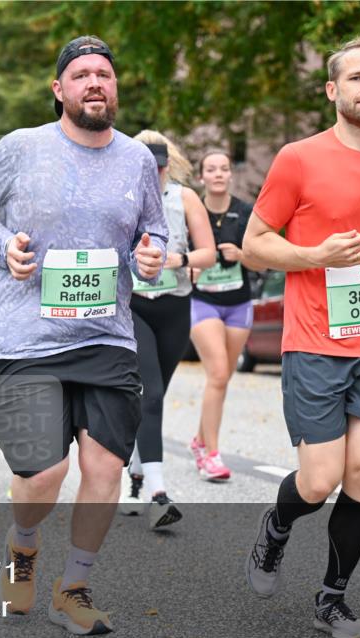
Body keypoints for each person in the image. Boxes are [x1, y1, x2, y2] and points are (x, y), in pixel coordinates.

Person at [0, 35, 167, 636]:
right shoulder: (22, 147)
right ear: (59, 90)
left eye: (103, 74)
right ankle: (24, 543)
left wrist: (152, 258)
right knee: (44, 476)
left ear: (115, 87)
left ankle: (73, 586)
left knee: (103, 468)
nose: (94, 83)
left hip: (108, 337)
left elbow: (153, 232)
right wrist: (3, 247)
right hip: (27, 337)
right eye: (80, 75)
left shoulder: (138, 160)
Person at [241, 37, 360, 638]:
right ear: (333, 90)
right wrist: (313, 254)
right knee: (320, 479)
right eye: (356, 77)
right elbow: (254, 242)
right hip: (315, 341)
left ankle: (333, 598)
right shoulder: (298, 159)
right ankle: (277, 526)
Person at [122, 130, 215, 527]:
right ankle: (158, 493)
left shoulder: (185, 198)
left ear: (167, 166)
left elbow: (208, 253)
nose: (154, 176)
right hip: (134, 306)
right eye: (147, 169)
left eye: (160, 169)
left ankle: (136, 473)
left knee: (153, 398)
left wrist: (177, 259)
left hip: (175, 306)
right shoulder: (121, 198)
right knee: (151, 393)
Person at [188, 150, 263, 481]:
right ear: (201, 177)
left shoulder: (245, 213)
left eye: (224, 169)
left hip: (238, 303)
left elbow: (262, 264)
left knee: (222, 377)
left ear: (231, 175)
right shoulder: (192, 211)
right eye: (210, 169)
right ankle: (211, 455)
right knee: (218, 372)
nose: (218, 174)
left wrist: (242, 255)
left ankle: (199, 440)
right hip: (201, 301)